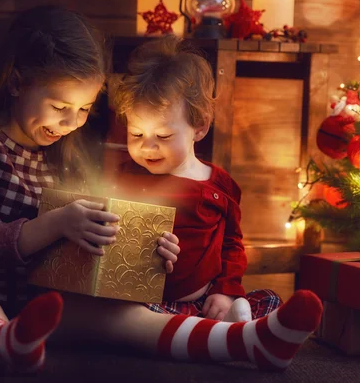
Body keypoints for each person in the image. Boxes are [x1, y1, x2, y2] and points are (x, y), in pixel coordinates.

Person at [0, 5, 323, 374]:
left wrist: (143, 247)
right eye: (61, 107)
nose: (72, 123)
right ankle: (4, 345)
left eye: (84, 109)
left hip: (30, 289)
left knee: (122, 316)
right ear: (16, 83)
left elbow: (77, 244)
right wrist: (61, 221)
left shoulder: (62, 150)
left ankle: (245, 344)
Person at [110, 36, 284, 323]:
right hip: (146, 302)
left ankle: (232, 323)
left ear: (199, 127)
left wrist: (225, 291)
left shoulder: (218, 186)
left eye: (163, 136)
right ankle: (225, 336)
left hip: (201, 302)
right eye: (136, 134)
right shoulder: (126, 175)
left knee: (270, 300)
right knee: (126, 316)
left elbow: (231, 244)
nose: (147, 147)